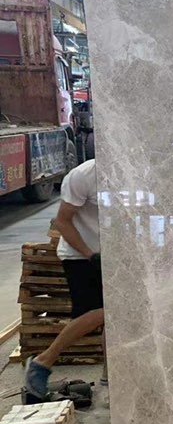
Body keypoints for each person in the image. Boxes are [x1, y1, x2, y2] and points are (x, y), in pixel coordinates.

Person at [23, 159, 103, 403]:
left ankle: (112, 375)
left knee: (115, 317)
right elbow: (62, 221)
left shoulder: (129, 171)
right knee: (98, 312)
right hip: (80, 255)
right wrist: (90, 255)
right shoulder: (84, 175)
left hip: (112, 256)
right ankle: (41, 362)